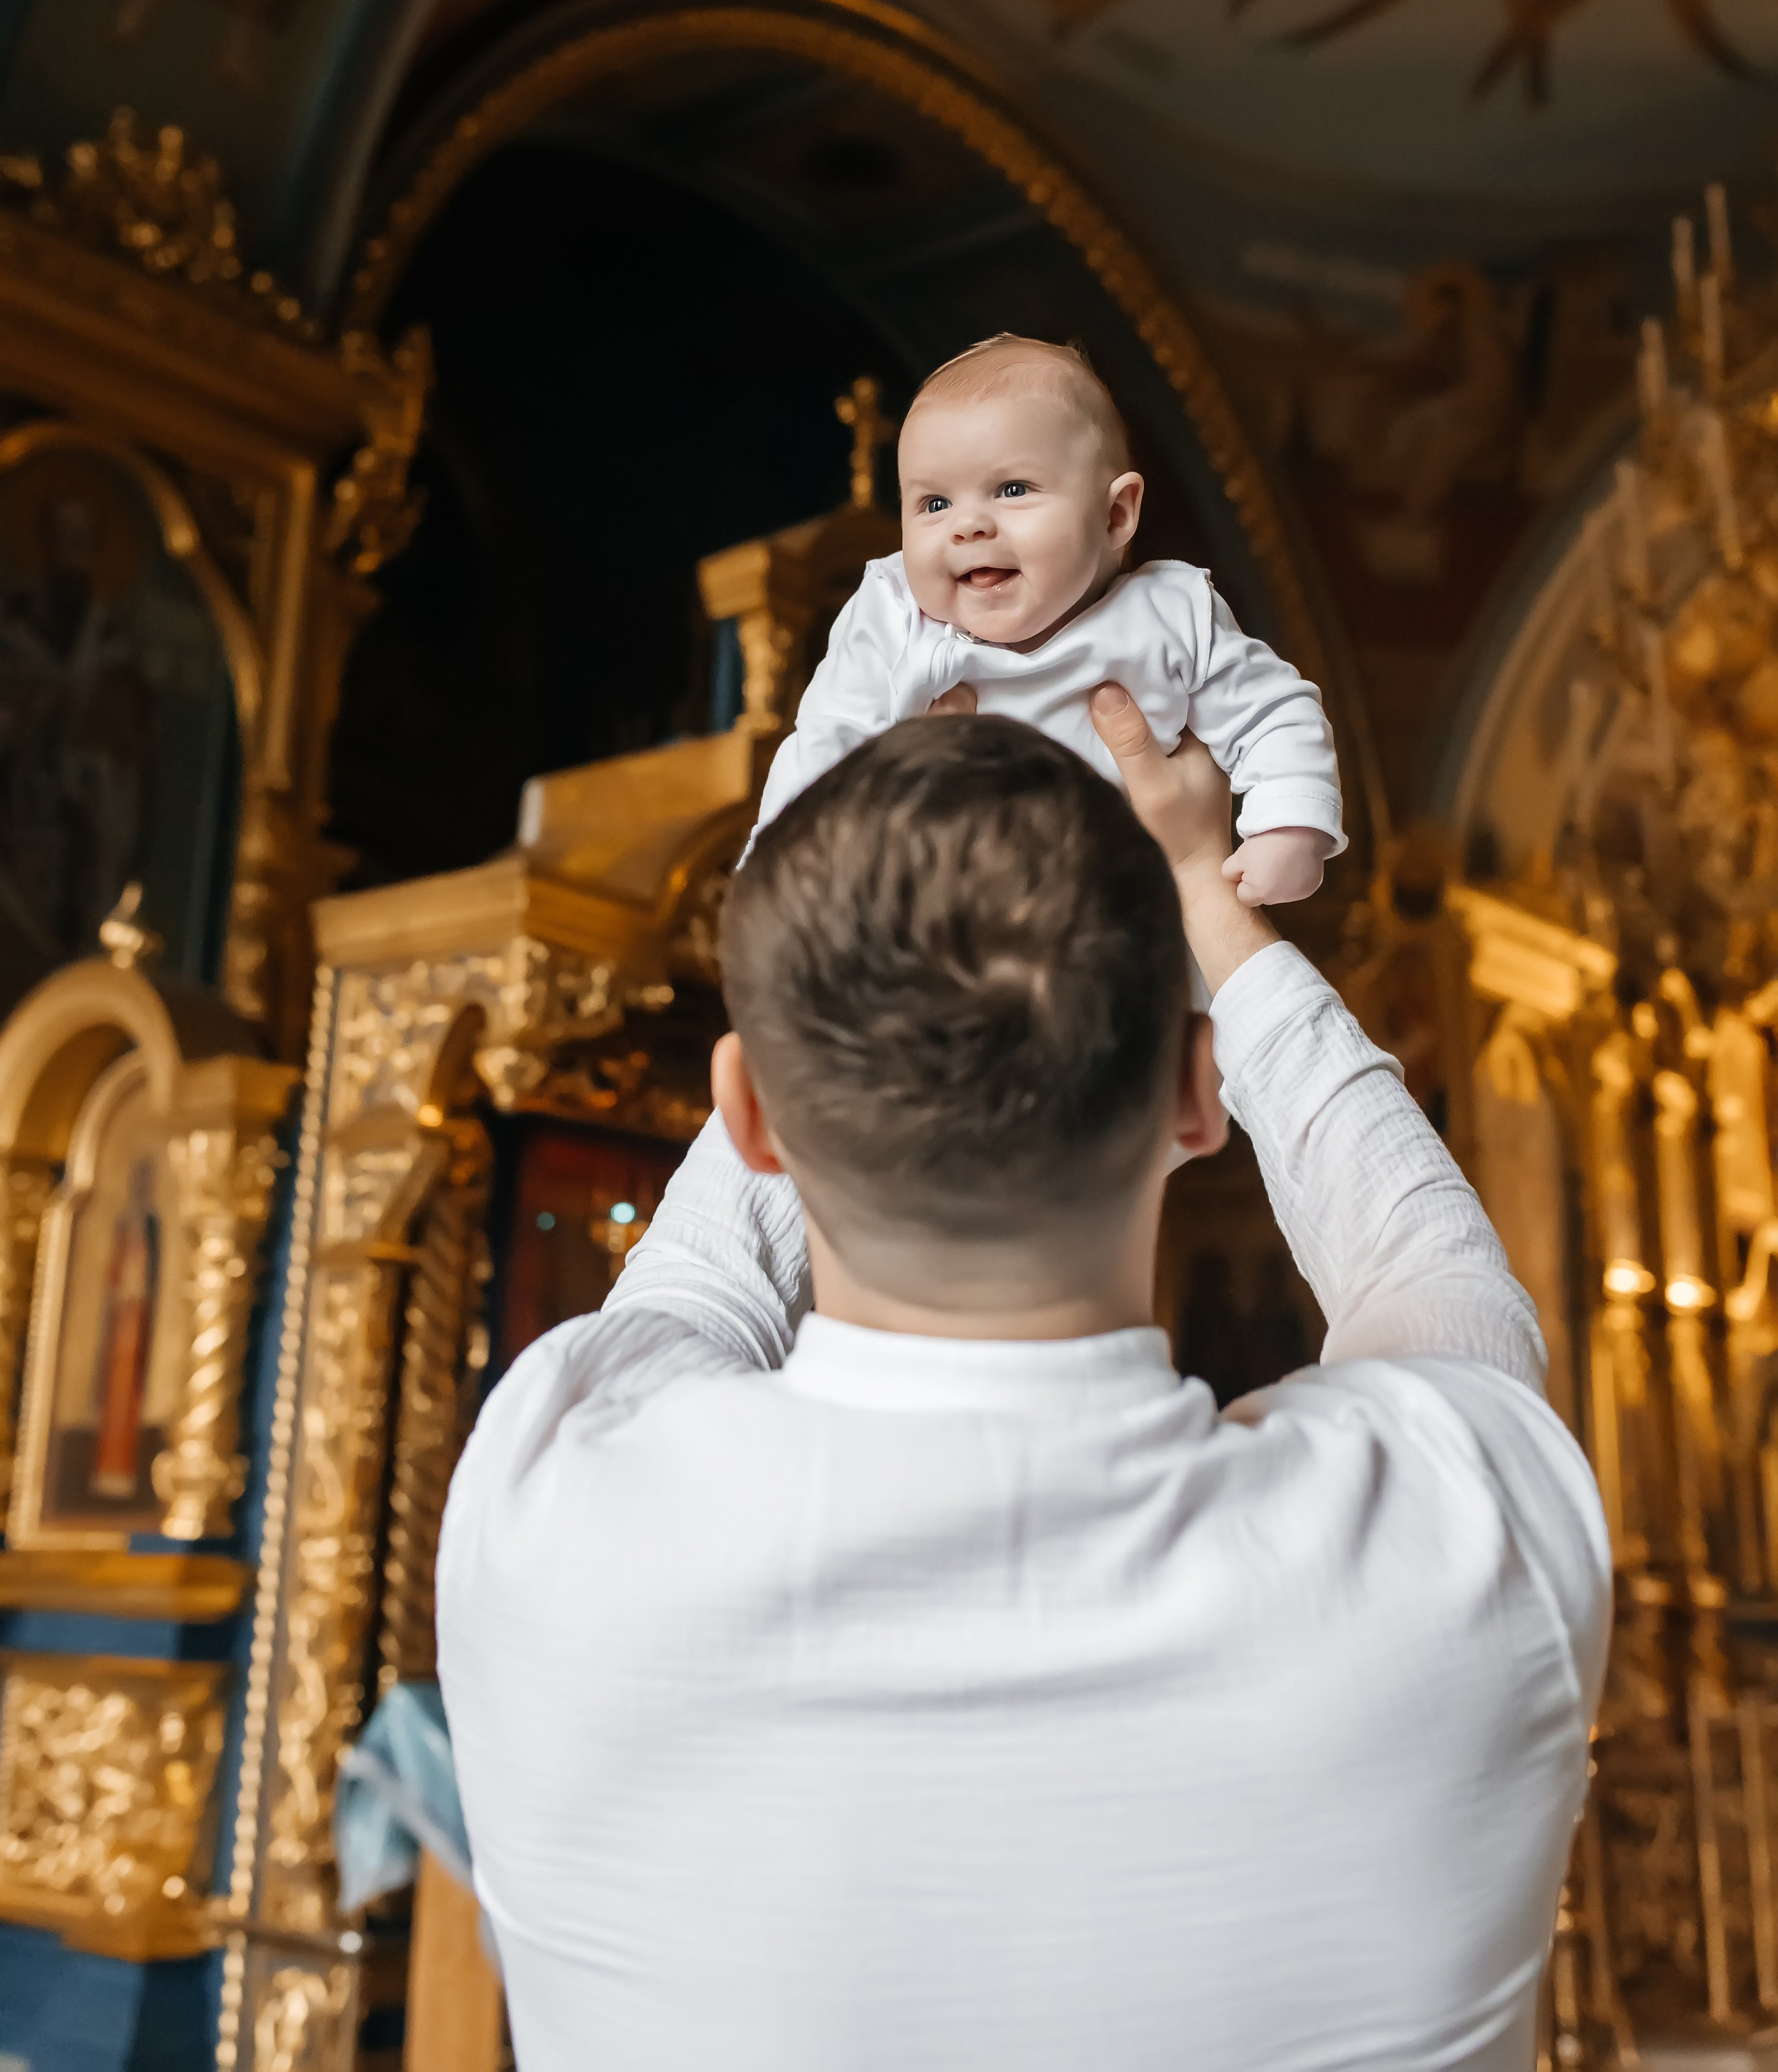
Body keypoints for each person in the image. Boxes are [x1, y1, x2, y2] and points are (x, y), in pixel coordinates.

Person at [438, 690, 1609, 2071]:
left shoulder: (544, 1514)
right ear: (1194, 1094)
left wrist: (858, 853)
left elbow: (693, 1279)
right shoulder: (1459, 1555)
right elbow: (1436, 1277)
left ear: (749, 1110)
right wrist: (1200, 885)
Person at [752, 332, 1343, 907]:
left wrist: (1289, 826)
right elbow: (829, 741)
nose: (968, 526)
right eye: (934, 503)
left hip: (1121, 919)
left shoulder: (1169, 612)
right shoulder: (894, 613)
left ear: (1115, 516)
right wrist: (781, 872)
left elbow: (1272, 712)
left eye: (1012, 489)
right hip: (941, 919)